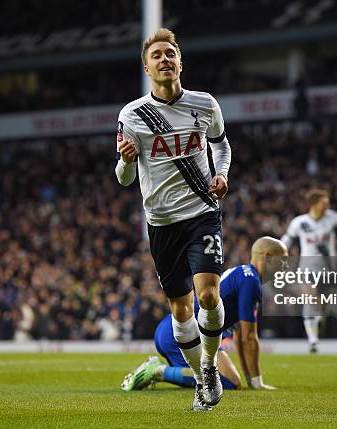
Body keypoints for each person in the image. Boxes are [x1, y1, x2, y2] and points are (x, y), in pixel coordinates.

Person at [115, 28, 231, 411]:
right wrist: (127, 160)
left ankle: (210, 367)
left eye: (170, 54)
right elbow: (124, 179)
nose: (165, 60)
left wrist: (223, 173)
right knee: (181, 311)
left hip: (202, 213)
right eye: (157, 56)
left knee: (209, 295)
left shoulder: (204, 104)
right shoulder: (133, 115)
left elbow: (221, 144)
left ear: (180, 61)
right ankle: (200, 380)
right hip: (162, 224)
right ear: (147, 67)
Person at [121, 237, 287, 393]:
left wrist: (252, 380)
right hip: (182, 335)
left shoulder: (243, 275)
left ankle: (170, 372)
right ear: (268, 257)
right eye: (283, 260)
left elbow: (240, 337)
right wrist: (257, 382)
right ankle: (158, 371)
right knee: (224, 383)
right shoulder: (251, 282)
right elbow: (249, 337)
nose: (285, 266)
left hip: (188, 333)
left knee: (233, 382)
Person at [281, 185, 337, 352]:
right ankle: (313, 341)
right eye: (324, 202)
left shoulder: (331, 218)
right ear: (314, 203)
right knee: (309, 298)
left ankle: (319, 320)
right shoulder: (300, 222)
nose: (327, 205)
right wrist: (275, 252)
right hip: (307, 269)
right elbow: (286, 240)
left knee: (321, 306)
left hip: (327, 270)